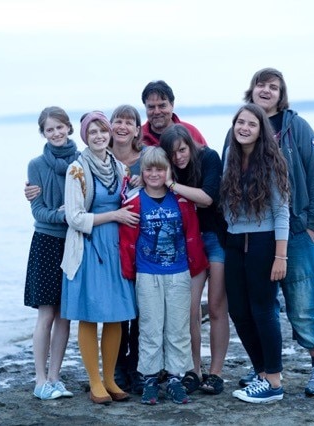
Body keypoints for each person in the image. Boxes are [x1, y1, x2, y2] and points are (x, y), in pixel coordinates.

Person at [224, 68, 314, 396]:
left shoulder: (295, 126)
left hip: (295, 230)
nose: (267, 90)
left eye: (274, 87)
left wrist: (313, 225)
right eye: (261, 84)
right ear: (251, 90)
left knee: (302, 300)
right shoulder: (238, 131)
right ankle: (266, 370)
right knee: (262, 305)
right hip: (254, 236)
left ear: (281, 94)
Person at [118, 146, 209, 405]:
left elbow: (192, 234)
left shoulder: (181, 201)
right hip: (148, 274)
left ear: (169, 171)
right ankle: (149, 378)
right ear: (142, 172)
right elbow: (126, 241)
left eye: (160, 168)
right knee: (150, 327)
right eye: (149, 169)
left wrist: (196, 265)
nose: (154, 174)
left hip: (178, 272)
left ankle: (175, 379)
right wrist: (129, 273)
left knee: (178, 328)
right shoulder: (134, 201)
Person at [61, 111, 140, 404]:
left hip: (116, 247)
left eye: (102, 131)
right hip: (89, 246)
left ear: (109, 134)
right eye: (92, 132)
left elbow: (129, 198)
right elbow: (74, 217)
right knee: (90, 314)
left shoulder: (119, 167)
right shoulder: (76, 170)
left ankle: (110, 379)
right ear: (84, 136)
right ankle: (95, 381)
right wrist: (114, 216)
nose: (98, 136)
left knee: (116, 315)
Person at [221, 103, 290, 403]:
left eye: (251, 123)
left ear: (261, 129)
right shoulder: (230, 156)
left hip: (263, 242)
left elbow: (281, 211)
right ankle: (261, 373)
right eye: (240, 122)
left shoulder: (272, 161)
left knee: (263, 311)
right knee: (238, 311)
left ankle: (274, 381)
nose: (244, 128)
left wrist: (280, 256)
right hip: (235, 242)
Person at [159, 124, 229, 395]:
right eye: (173, 153)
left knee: (216, 306)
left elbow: (209, 198)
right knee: (190, 308)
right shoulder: (170, 169)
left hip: (216, 238)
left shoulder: (209, 158)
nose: (178, 157)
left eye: (182, 150)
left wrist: (174, 186)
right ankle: (195, 370)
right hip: (190, 241)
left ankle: (216, 373)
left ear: (190, 144)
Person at [24, 106, 80, 401]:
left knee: (65, 316)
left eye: (60, 127)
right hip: (46, 241)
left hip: (73, 243)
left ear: (69, 128)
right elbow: (38, 210)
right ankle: (40, 379)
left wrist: (73, 216)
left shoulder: (82, 160)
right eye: (50, 129)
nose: (56, 133)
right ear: (43, 134)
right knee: (46, 314)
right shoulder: (36, 165)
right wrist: (66, 215)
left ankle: (56, 377)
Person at [108, 104, 145, 394]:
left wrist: (143, 181)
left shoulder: (146, 159)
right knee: (119, 308)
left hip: (143, 241)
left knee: (142, 309)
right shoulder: (100, 158)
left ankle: (137, 368)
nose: (122, 126)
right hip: (109, 242)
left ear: (137, 129)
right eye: (117, 121)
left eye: (128, 122)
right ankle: (117, 367)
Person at [140, 80, 208, 147]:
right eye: (151, 107)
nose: (157, 112)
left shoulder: (191, 132)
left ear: (172, 105)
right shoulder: (137, 138)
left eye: (162, 106)